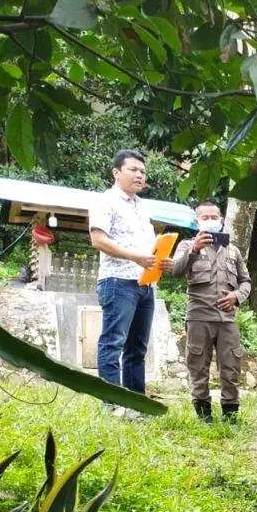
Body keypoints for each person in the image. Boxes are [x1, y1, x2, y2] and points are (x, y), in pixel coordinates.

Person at [167, 200, 251, 423]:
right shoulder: (187, 245)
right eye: (205, 217)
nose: (210, 221)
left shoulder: (233, 251)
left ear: (221, 220)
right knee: (198, 367)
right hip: (198, 316)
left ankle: (230, 418)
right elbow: (175, 271)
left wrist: (236, 296)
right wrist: (194, 249)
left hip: (227, 320)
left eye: (214, 217)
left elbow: (246, 282)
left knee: (231, 368)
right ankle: (204, 417)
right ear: (197, 221)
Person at [89, 149, 162, 399]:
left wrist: (160, 260)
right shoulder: (105, 201)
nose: (140, 175)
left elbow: (148, 249)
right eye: (133, 170)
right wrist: (135, 257)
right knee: (113, 342)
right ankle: (112, 403)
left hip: (146, 284)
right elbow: (98, 240)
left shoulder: (143, 207)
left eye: (142, 171)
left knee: (137, 348)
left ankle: (137, 403)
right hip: (118, 282)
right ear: (116, 172)